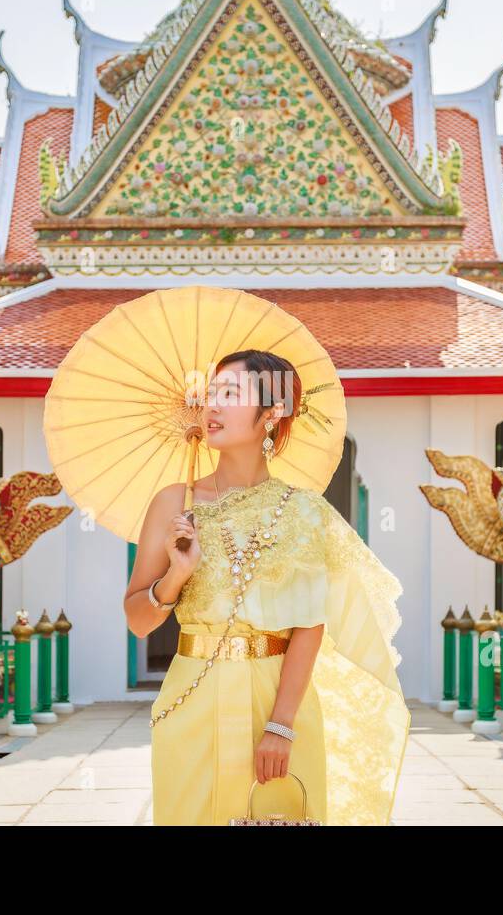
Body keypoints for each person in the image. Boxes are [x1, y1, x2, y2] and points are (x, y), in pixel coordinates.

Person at [124, 348, 410, 825]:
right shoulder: (175, 505)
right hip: (190, 696)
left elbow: (309, 627)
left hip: (277, 701)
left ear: (272, 413)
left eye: (231, 394)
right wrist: (176, 573)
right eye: (211, 394)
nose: (212, 406)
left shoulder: (303, 512)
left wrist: (281, 726)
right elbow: (137, 621)